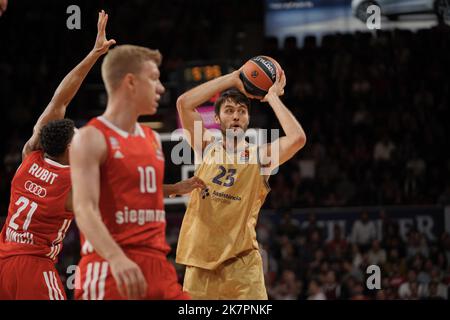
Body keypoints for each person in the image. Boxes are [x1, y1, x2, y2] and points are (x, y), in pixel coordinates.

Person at [69, 40, 205, 299]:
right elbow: (84, 208)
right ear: (130, 82)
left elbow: (132, 190)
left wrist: (175, 189)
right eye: (154, 78)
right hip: (110, 263)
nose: (161, 88)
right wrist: (116, 258)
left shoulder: (151, 138)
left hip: (157, 264)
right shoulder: (90, 137)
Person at [0, 10, 116, 300]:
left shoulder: (31, 155)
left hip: (3, 262)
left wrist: (94, 54)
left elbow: (59, 99)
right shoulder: (72, 186)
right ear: (69, 149)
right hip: (35, 267)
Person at [175, 63, 307, 299]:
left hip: (242, 265)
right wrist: (234, 78)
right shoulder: (206, 147)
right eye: (228, 110)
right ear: (217, 118)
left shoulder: (261, 156)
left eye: (242, 111)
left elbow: (297, 138)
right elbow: (184, 103)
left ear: (248, 119)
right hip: (200, 264)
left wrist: (272, 97)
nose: (235, 115)